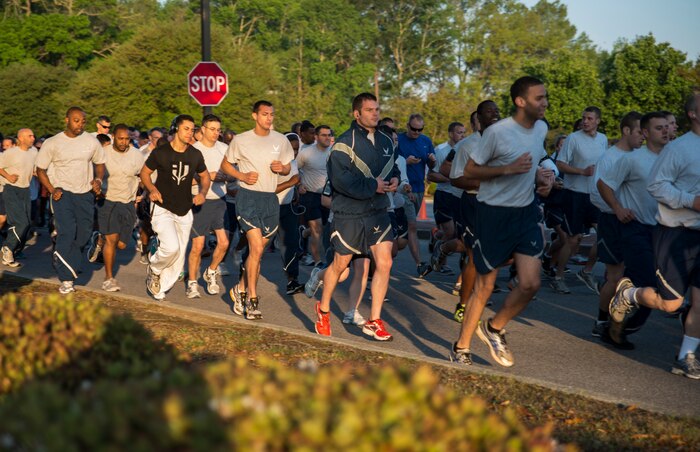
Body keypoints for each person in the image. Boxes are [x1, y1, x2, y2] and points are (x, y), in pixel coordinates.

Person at [451, 76, 553, 367]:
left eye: (545, 97)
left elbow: (530, 164)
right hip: (492, 213)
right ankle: (461, 347)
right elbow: (471, 170)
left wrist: (541, 180)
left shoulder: (541, 129)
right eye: (538, 98)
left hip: (525, 212)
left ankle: (494, 327)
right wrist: (507, 169)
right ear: (521, 102)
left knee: (531, 283)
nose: (544, 102)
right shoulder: (497, 133)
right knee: (484, 286)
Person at [609, 94, 700, 379]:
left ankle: (686, 356)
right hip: (675, 232)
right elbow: (657, 186)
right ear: (693, 114)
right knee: (671, 303)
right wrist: (691, 201)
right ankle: (629, 293)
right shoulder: (679, 149)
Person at [313, 92, 401, 341]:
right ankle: (323, 309)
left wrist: (396, 179)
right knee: (340, 266)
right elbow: (342, 182)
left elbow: (392, 168)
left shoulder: (386, 140)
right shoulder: (342, 144)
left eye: (377, 109)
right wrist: (373, 186)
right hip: (349, 213)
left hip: (378, 212)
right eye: (370, 110)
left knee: (385, 263)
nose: (375, 113)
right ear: (357, 114)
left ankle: (374, 320)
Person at [221, 100, 293, 320]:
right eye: (264, 114)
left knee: (258, 250)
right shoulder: (241, 140)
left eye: (271, 114)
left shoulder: (281, 140)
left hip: (270, 200)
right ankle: (252, 299)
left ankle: (239, 288)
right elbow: (226, 164)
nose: (269, 118)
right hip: (248, 198)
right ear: (254, 116)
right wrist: (241, 176)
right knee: (256, 248)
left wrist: (282, 169)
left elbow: (289, 166)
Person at [36, 107, 106, 294]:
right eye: (76, 120)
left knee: (83, 234)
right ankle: (66, 279)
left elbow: (100, 163)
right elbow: (40, 170)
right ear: (67, 120)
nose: (80, 124)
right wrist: (52, 189)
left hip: (85, 194)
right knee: (67, 232)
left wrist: (98, 180)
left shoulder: (91, 141)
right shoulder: (53, 143)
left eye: (83, 121)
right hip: (62, 194)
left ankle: (62, 256)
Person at [140, 114, 210, 300]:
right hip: (162, 207)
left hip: (184, 209)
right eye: (186, 129)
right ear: (176, 129)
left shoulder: (195, 154)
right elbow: (144, 173)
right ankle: (154, 269)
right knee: (171, 248)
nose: (190, 133)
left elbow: (205, 176)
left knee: (179, 257)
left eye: (192, 129)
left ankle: (159, 287)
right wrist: (152, 189)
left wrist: (202, 193)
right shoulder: (161, 152)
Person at [442, 101, 501, 322]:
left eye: (497, 111)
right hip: (474, 202)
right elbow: (455, 178)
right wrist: (483, 181)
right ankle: (463, 305)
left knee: (498, 255)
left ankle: (481, 292)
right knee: (474, 257)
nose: (494, 114)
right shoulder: (467, 145)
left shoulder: (505, 142)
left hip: (500, 204)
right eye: (489, 111)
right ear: (478, 117)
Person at [588, 112, 644, 337]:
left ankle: (618, 317)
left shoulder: (641, 157)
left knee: (633, 275)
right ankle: (601, 320)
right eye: (640, 131)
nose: (644, 136)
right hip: (612, 221)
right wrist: (618, 209)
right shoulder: (609, 157)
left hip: (636, 223)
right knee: (615, 276)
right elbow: (595, 193)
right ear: (626, 131)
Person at [554, 107, 608, 294]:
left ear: (597, 121)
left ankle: (587, 271)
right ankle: (558, 276)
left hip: (595, 194)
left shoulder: (603, 139)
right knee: (574, 239)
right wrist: (582, 172)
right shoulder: (573, 138)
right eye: (583, 118)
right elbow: (560, 163)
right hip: (574, 194)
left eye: (589, 118)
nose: (585, 121)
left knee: (604, 234)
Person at [186, 114, 230, 298]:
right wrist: (205, 177)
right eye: (212, 129)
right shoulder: (193, 150)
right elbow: (184, 180)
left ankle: (211, 272)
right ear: (203, 129)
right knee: (198, 246)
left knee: (224, 242)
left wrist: (225, 176)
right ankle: (192, 283)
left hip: (220, 200)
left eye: (218, 130)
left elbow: (235, 173)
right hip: (199, 201)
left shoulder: (225, 149)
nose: (215, 133)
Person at [98, 124, 145, 291]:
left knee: (122, 244)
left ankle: (99, 239)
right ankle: (109, 278)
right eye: (121, 139)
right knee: (111, 239)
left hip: (128, 202)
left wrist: (145, 192)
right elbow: (93, 174)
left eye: (127, 139)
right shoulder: (103, 154)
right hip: (108, 200)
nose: (124, 142)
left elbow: (144, 175)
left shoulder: (136, 155)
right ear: (113, 137)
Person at [397, 113, 436, 272]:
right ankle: (420, 264)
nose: (417, 132)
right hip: (403, 189)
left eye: (420, 129)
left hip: (419, 188)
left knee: (403, 238)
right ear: (407, 126)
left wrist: (433, 161)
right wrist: (406, 161)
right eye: (414, 129)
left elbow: (432, 166)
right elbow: (391, 163)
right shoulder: (398, 139)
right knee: (413, 225)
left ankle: (391, 244)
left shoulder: (426, 141)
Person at [428, 121, 465, 273]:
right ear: (450, 133)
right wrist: (451, 179)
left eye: (464, 132)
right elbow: (431, 175)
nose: (462, 135)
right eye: (459, 132)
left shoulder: (466, 149)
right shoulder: (441, 150)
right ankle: (441, 264)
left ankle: (436, 235)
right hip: (444, 195)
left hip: (460, 196)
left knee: (456, 233)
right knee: (450, 232)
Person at [0, 128, 37, 267]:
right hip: (11, 189)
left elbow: (34, 170)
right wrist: (8, 176)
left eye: (33, 135)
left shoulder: (34, 152)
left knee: (27, 223)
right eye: (30, 136)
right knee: (21, 222)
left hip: (25, 190)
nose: (33, 138)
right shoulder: (11, 153)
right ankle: (8, 248)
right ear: (20, 138)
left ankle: (15, 249)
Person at [297, 125, 332, 266]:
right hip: (310, 195)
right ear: (316, 137)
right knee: (317, 229)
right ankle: (318, 262)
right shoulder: (306, 153)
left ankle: (304, 233)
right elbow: (294, 169)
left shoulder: (334, 153)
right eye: (323, 135)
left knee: (322, 227)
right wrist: (299, 185)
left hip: (328, 196)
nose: (327, 138)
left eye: (329, 135)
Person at [276, 133, 303, 294]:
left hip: (288, 209)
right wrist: (291, 183)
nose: (294, 152)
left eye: (297, 149)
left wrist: (297, 190)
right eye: (291, 149)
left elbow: (295, 182)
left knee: (291, 244)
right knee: (258, 247)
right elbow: (268, 191)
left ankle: (292, 281)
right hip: (269, 208)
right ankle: (244, 278)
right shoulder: (275, 164)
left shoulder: (293, 163)